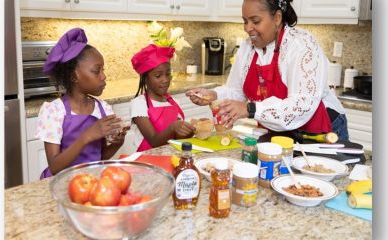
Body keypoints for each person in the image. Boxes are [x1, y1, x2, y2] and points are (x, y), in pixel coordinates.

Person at [186, 0, 349, 141]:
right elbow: (237, 91)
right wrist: (213, 95)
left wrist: (250, 109)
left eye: (255, 21)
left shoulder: (301, 47)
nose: (248, 28)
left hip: (321, 132)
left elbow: (300, 106)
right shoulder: (247, 47)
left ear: (277, 18)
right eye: (245, 21)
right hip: (278, 133)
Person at [35, 28, 128, 179]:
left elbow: (100, 158)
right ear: (74, 76)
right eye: (97, 71)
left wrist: (117, 143)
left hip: (89, 181)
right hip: (61, 183)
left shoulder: (103, 109)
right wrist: (87, 136)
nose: (104, 76)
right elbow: (55, 166)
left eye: (103, 70)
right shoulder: (54, 112)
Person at [126, 44, 195, 152]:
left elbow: (178, 139)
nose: (165, 79)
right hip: (148, 161)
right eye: (158, 76)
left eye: (168, 74)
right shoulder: (139, 104)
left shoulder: (174, 102)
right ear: (145, 79)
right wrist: (173, 127)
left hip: (172, 157)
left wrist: (192, 130)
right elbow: (154, 141)